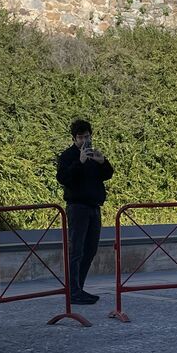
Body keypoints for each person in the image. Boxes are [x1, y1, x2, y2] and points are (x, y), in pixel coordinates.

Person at [56, 119, 114, 306]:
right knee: (77, 250)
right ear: (74, 138)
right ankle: (73, 290)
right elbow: (63, 178)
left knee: (90, 249)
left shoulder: (93, 155)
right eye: (80, 137)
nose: (84, 140)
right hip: (77, 207)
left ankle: (79, 288)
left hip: (94, 206)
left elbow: (108, 174)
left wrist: (102, 161)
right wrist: (79, 163)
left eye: (87, 136)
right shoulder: (68, 156)